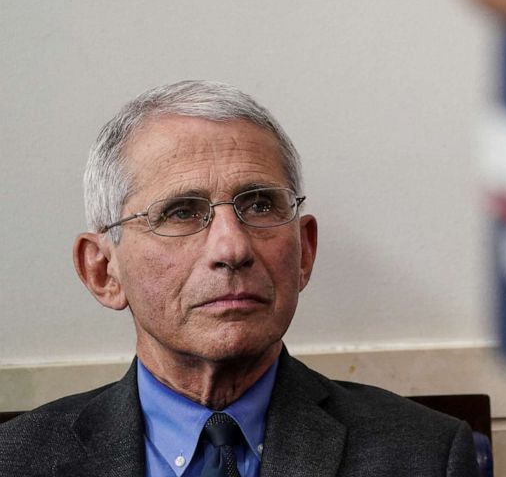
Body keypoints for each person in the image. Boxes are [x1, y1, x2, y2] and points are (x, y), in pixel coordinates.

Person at [0, 80, 479, 477]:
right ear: (104, 271)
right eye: (182, 212)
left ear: (304, 251)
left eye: (259, 205)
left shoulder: (425, 453)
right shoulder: (17, 461)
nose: (233, 248)